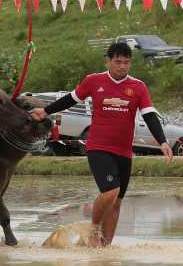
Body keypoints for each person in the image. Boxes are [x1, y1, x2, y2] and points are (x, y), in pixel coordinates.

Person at [32, 41, 172, 246]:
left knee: (116, 203)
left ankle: (104, 251)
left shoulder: (138, 87)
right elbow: (71, 99)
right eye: (118, 62)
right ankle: (94, 228)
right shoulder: (93, 81)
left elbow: (150, 115)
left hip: (124, 151)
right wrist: (45, 111)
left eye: (126, 62)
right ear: (108, 61)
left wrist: (163, 141)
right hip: (99, 146)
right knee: (111, 191)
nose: (122, 66)